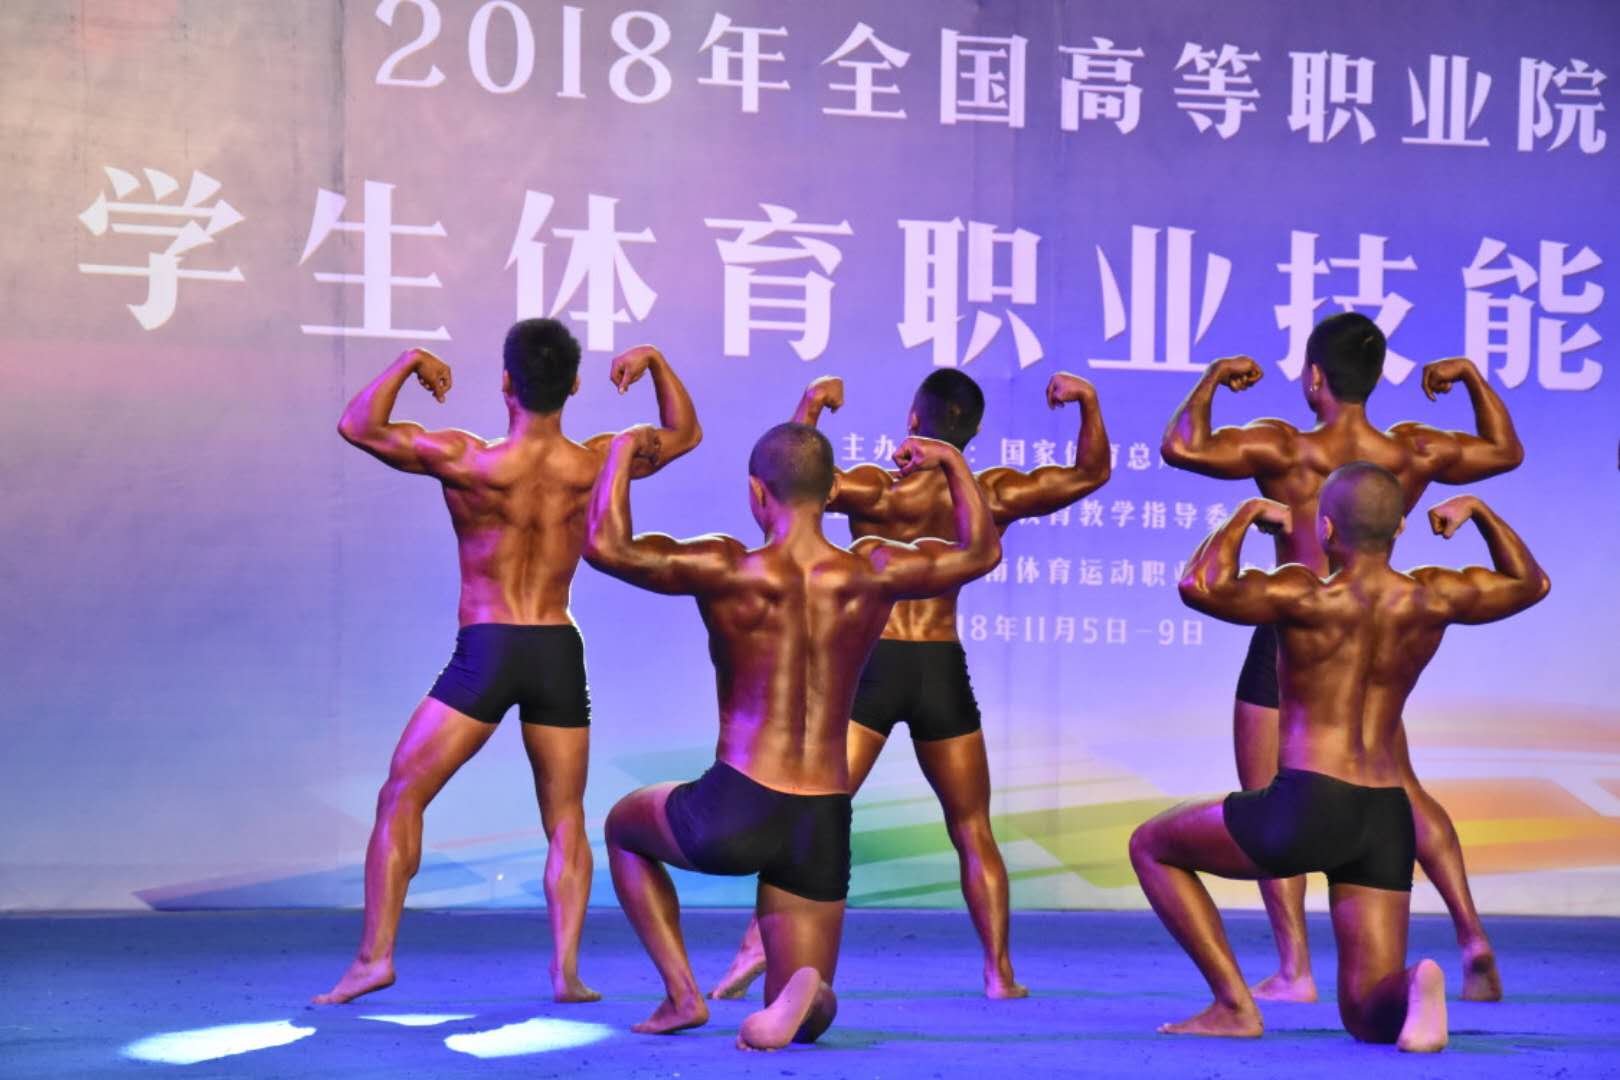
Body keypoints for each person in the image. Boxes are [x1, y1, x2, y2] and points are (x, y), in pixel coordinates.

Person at [312, 319, 700, 1005]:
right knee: (565, 816)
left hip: (487, 648)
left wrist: (409, 362)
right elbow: (684, 434)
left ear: (504, 383)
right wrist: (657, 363)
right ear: (574, 385)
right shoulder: (597, 462)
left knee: (402, 795)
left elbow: (358, 426)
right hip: (555, 647)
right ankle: (567, 972)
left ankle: (374, 959)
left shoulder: (467, 460)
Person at [585, 423, 1001, 1049]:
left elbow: (606, 545)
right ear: (833, 491)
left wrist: (621, 451)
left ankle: (681, 994)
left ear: (757, 492)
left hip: (738, 802)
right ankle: (809, 991)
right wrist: (948, 460)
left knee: (624, 826)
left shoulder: (728, 566)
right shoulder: (875, 568)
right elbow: (981, 552)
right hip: (822, 816)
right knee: (800, 1019)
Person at [709, 370, 1110, 1002]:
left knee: (809, 807)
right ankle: (999, 974)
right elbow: (1091, 473)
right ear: (972, 431)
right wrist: (1087, 401)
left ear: (914, 422)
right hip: (940, 666)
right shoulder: (990, 493)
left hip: (875, 664)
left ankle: (754, 949)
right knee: (972, 826)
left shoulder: (877, 488)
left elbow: (793, 488)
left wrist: (811, 404)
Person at [1160, 313, 1523, 1002]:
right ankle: (1471, 933)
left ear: (1314, 377)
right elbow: (1505, 451)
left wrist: (1212, 379)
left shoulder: (1285, 447)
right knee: (1398, 784)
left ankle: (1295, 969)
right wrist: (1473, 379)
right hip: (1379, 624)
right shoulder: (1410, 450)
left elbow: (1182, 446)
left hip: (1297, 626)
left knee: (1270, 797)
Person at [1130, 466, 1549, 1049]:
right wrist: (1479, 512)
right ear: (1399, 528)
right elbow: (1531, 583)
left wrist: (1246, 514)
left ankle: (1232, 1006)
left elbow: (1199, 584)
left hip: (1309, 804)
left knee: (1151, 845)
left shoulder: (1306, 594)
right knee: (1365, 1013)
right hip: (1386, 816)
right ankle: (1415, 983)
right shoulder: (1432, 596)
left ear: (1326, 529)